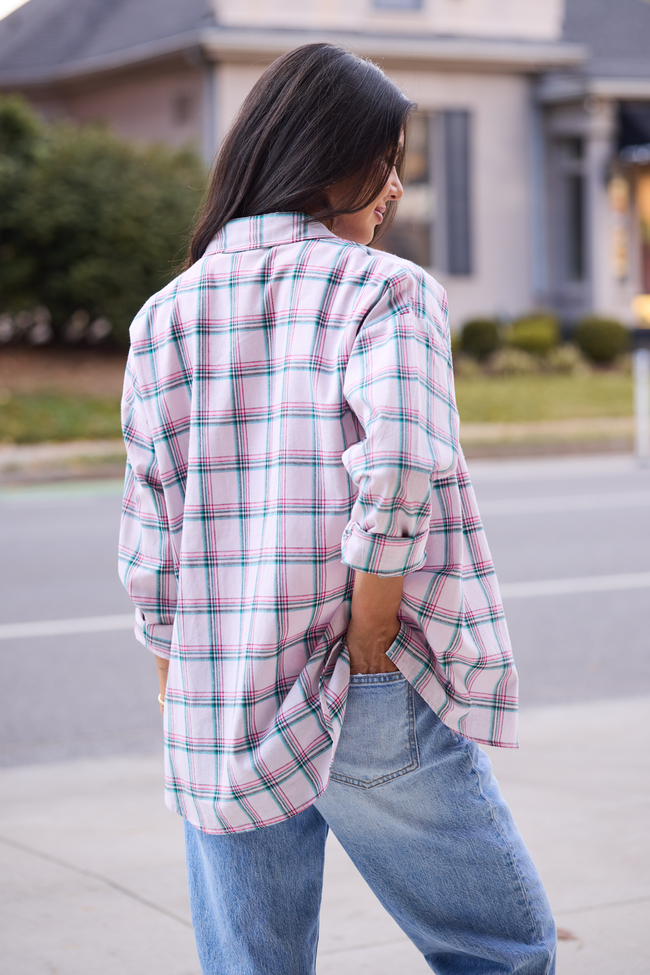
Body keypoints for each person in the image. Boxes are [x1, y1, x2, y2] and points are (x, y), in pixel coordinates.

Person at [119, 42, 556, 975]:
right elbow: (402, 466)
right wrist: (372, 628)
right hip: (350, 678)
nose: (394, 187)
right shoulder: (387, 290)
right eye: (385, 159)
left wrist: (178, 674)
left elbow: (150, 528)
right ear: (328, 158)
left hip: (216, 689)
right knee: (502, 952)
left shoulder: (165, 314)